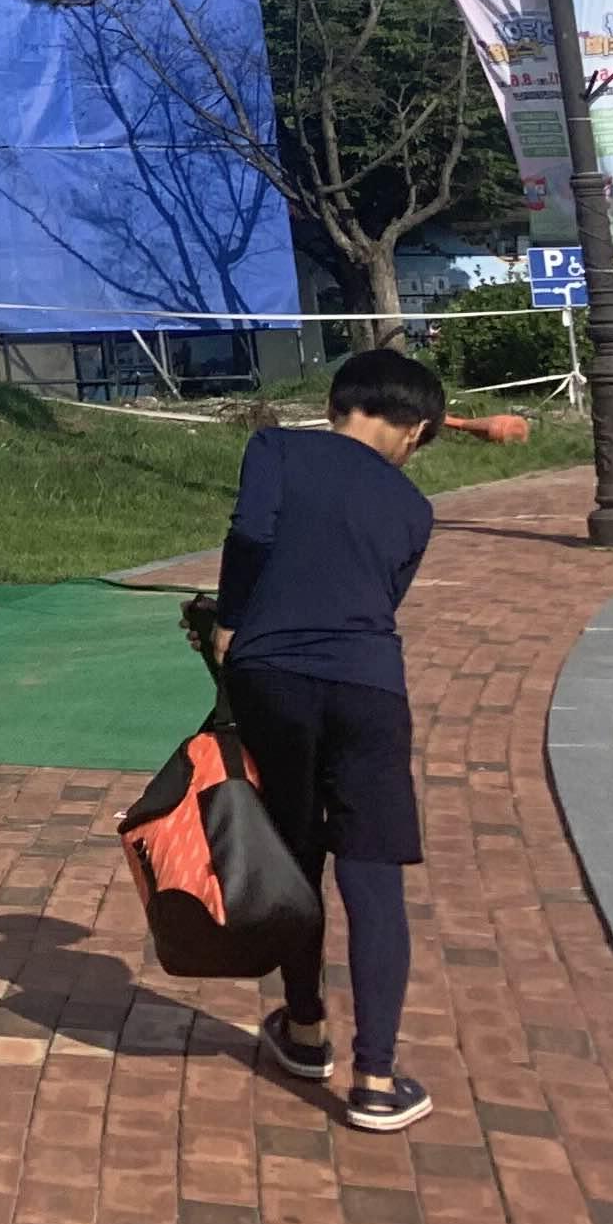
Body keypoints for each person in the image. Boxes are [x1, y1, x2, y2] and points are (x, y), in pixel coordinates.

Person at [212, 344, 445, 1131]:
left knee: (297, 853)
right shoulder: (413, 507)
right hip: (369, 687)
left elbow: (251, 537)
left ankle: (306, 1029)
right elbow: (384, 597)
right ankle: (376, 1077)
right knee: (373, 875)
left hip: (271, 677)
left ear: (336, 403)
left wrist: (230, 621)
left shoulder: (276, 449)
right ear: (414, 430)